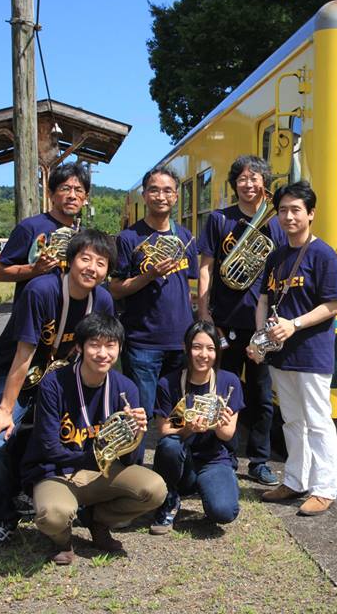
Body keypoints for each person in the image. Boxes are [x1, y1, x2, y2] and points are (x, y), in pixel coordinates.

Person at [0, 229, 117, 553]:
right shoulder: (41, 290)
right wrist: (5, 409)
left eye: (101, 262)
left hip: (61, 378)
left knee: (76, 436)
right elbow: (23, 355)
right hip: (16, 374)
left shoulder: (103, 300)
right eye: (85, 258)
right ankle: (0, 520)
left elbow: (100, 352)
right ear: (70, 259)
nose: (92, 268)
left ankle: (69, 503)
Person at [21, 313, 167, 565]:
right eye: (94, 345)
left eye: (110, 345)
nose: (103, 353)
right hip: (58, 471)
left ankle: (97, 521)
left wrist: (137, 433)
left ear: (119, 348)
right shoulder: (53, 384)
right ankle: (62, 539)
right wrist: (95, 457)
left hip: (102, 472)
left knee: (154, 489)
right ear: (79, 347)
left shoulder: (126, 388)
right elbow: (49, 448)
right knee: (53, 515)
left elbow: (130, 459)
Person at [247, 181, 337, 517]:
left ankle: (324, 489)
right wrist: (260, 337)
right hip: (280, 354)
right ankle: (294, 480)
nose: (289, 217)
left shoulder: (324, 255)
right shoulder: (276, 256)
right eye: (283, 210)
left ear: (311, 214)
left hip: (312, 353)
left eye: (296, 210)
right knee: (291, 420)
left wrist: (294, 325)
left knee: (317, 421)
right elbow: (264, 299)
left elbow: (333, 304)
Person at [197, 155, 286, 486]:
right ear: (235, 184)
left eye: (255, 178)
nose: (249, 184)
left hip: (262, 325)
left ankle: (259, 461)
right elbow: (206, 268)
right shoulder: (220, 219)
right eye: (242, 179)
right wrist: (204, 313)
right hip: (226, 320)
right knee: (225, 391)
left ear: (264, 183)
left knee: (262, 396)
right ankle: (226, 456)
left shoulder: (276, 224)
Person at [110, 166, 197, 465]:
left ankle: (171, 472)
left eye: (168, 190)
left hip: (180, 342)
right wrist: (149, 275)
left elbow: (187, 286)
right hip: (142, 343)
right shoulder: (128, 238)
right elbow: (115, 289)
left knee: (177, 415)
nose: (161, 196)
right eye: (155, 190)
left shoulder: (185, 236)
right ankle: (132, 475)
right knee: (140, 416)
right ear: (145, 195)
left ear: (176, 196)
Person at [149, 320, 244, 534]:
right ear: (186, 348)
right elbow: (164, 430)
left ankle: (213, 485)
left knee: (223, 512)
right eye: (197, 347)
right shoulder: (169, 383)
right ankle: (170, 497)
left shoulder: (229, 382)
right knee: (170, 445)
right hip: (182, 460)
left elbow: (227, 434)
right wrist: (188, 428)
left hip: (214, 459)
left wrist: (217, 424)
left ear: (217, 352)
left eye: (210, 348)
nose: (203, 354)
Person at [0, 162, 90, 301]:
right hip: (35, 310)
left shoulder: (84, 235)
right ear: (51, 194)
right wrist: (34, 270)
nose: (72, 196)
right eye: (65, 189)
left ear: (85, 198)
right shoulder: (30, 227)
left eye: (79, 190)